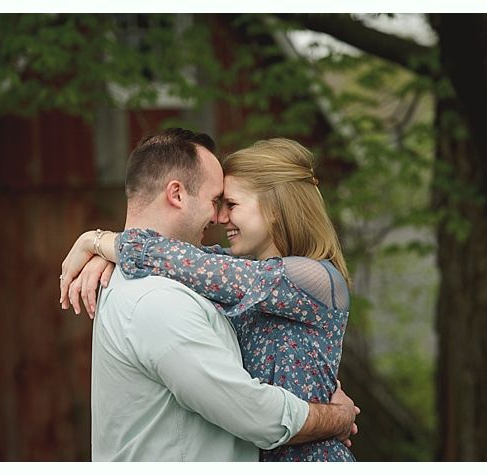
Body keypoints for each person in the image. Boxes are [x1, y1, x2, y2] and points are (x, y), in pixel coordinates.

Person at [57, 129, 358, 461]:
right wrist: (334, 416)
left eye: (230, 204)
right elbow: (195, 263)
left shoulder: (310, 276)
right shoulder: (163, 295)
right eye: (218, 202)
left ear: (273, 208)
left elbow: (193, 263)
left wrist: (98, 241)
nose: (220, 217)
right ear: (176, 194)